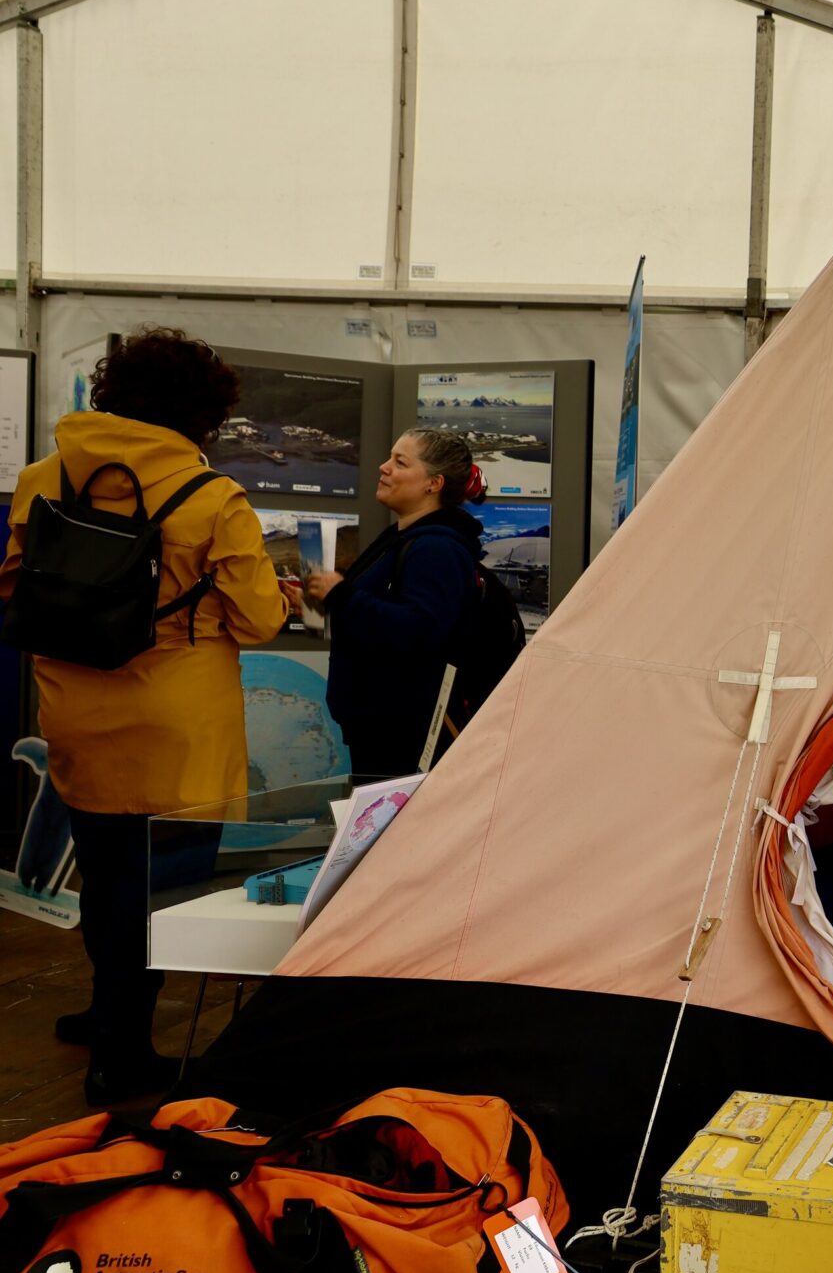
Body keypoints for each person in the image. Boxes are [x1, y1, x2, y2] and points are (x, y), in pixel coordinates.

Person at [0, 328, 289, 1104]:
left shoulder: (43, 475)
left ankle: (105, 1015)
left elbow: (15, 588)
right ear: (201, 412)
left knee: (104, 877)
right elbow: (259, 619)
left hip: (78, 713)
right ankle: (125, 1056)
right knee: (160, 895)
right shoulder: (213, 498)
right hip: (176, 726)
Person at [306, 429, 485, 777]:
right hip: (380, 732)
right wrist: (329, 602)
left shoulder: (437, 550)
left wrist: (341, 595)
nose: (383, 467)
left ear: (433, 484)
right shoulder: (405, 539)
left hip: (403, 739)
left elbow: (418, 630)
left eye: (399, 462)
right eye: (390, 457)